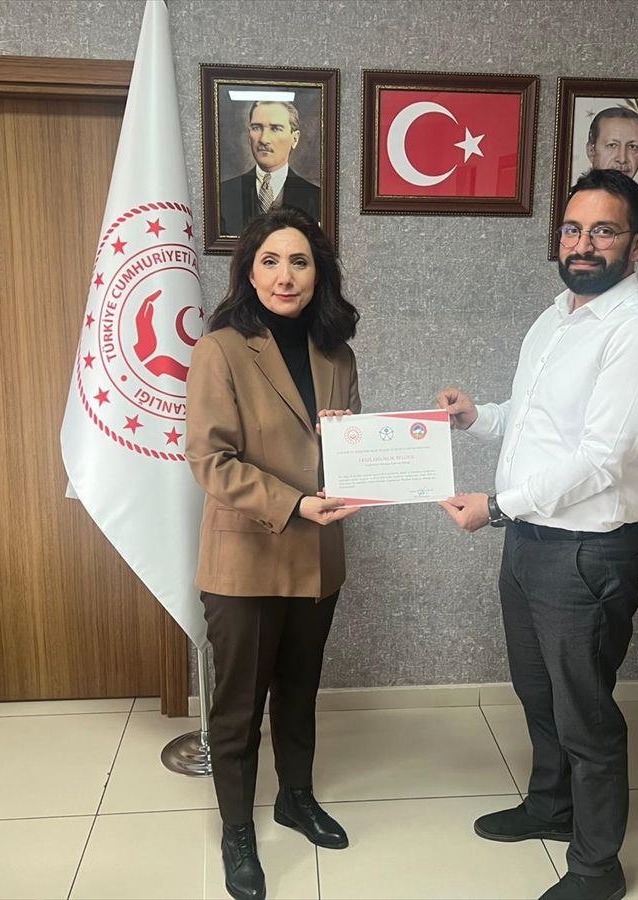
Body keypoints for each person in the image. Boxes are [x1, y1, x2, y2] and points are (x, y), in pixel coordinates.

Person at [437, 169, 638, 900]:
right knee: (538, 690)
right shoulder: (556, 317)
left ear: (637, 244)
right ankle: (551, 807)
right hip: (530, 542)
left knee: (585, 712)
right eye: (573, 229)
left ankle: (597, 867)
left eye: (603, 230)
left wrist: (497, 506)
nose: (582, 244)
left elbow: (601, 458)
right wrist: (476, 417)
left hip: (585, 553)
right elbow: (536, 421)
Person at [186, 206, 360, 900]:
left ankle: (295, 797)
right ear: (249, 273)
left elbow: (349, 450)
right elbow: (211, 460)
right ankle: (237, 831)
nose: (285, 276)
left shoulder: (336, 354)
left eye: (299, 262)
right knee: (238, 707)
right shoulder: (222, 348)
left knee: (299, 693)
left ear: (319, 274)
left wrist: (359, 456)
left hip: (318, 556)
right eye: (270, 261)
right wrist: (294, 503)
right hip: (246, 559)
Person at [219, 100, 322, 236]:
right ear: (249, 136)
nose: (264, 139)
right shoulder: (224, 193)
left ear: (295, 139)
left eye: (275, 128)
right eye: (256, 128)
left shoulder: (316, 198)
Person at [584, 107, 638, 243]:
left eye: (632, 147)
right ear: (591, 151)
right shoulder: (569, 205)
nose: (622, 158)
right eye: (612, 145)